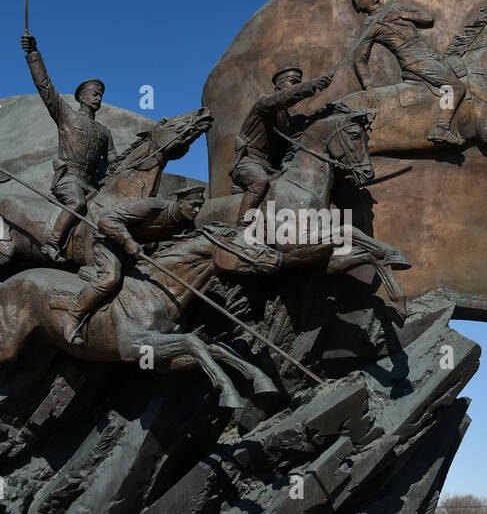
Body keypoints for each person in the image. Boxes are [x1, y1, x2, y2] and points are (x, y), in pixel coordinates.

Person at [20, 33, 116, 262]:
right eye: (94, 94)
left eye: (101, 95)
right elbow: (45, 86)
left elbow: (113, 162)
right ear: (82, 98)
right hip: (68, 180)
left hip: (91, 184)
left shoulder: (105, 132)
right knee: (77, 203)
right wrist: (33, 55)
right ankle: (53, 243)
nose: (98, 98)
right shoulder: (67, 116)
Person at [67, 186, 206, 342]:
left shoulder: (186, 224)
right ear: (181, 203)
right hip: (110, 241)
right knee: (110, 279)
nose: (197, 210)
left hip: (136, 250)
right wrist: (127, 240)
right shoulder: (152, 206)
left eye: (200, 205)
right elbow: (106, 221)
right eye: (193, 204)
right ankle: (73, 317)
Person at [349, 0, 467, 146]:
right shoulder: (371, 26)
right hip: (416, 62)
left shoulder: (396, 7)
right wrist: (368, 86)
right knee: (456, 87)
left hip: (431, 56)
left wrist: (403, 15)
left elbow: (427, 18)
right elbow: (360, 59)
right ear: (362, 6)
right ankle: (442, 128)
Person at [229, 66, 331, 224]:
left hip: (271, 168)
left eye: (298, 83)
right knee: (260, 182)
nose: (295, 85)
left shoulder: (287, 121)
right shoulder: (264, 104)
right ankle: (241, 225)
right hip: (248, 163)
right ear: (280, 85)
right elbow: (282, 98)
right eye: (293, 82)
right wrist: (309, 85)